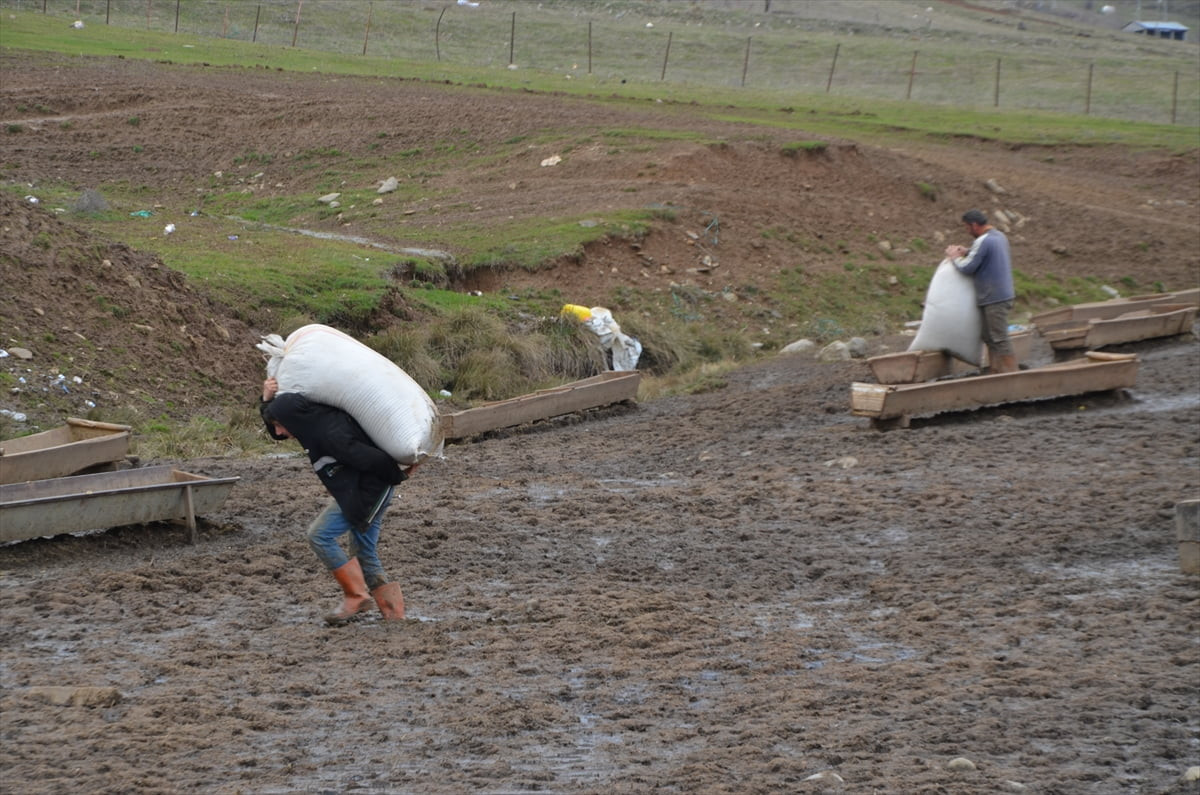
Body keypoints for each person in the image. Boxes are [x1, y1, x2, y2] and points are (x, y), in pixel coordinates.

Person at [260, 377, 416, 625]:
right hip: (359, 491)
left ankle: (356, 595)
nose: (278, 432)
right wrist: (266, 401)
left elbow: (374, 460)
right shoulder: (309, 425)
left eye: (279, 425)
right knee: (363, 551)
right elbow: (279, 431)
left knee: (319, 534)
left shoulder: (331, 434)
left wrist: (398, 476)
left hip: (369, 492)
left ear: (291, 421)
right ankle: (394, 617)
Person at [945, 209, 1018, 374]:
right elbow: (985, 255)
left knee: (999, 338)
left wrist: (954, 257)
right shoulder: (998, 236)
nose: (967, 231)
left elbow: (967, 267)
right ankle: (996, 371)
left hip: (994, 297)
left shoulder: (983, 241)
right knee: (989, 336)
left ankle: (1012, 374)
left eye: (967, 227)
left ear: (974, 225)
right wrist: (968, 252)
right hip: (998, 295)